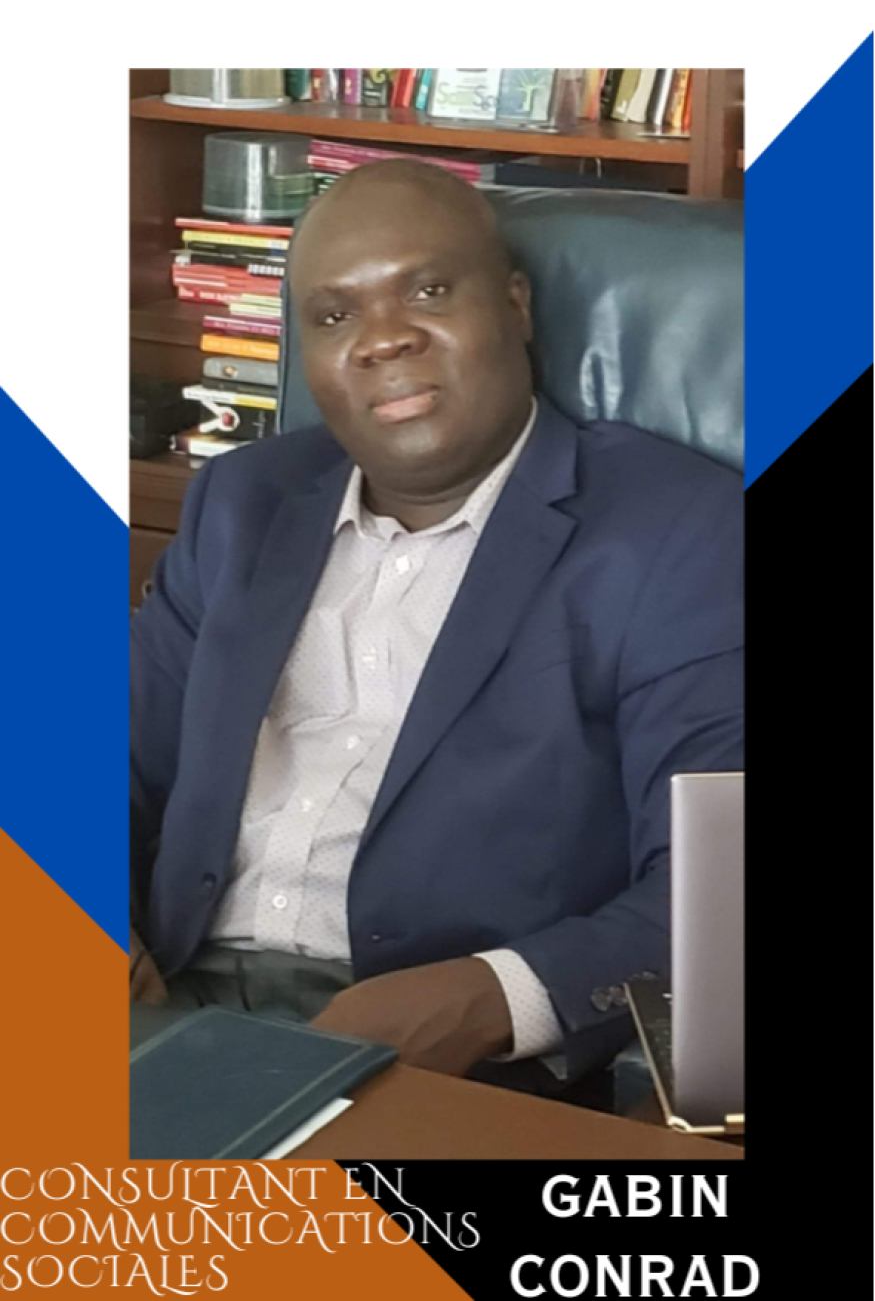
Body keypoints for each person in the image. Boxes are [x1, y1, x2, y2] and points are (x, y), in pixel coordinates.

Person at [130, 159, 743, 1091]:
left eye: (427, 291)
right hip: (169, 1004)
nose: (383, 339)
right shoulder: (242, 501)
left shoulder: (676, 530)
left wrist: (495, 998)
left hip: (444, 1058)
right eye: (335, 315)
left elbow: (718, 885)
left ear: (515, 305)